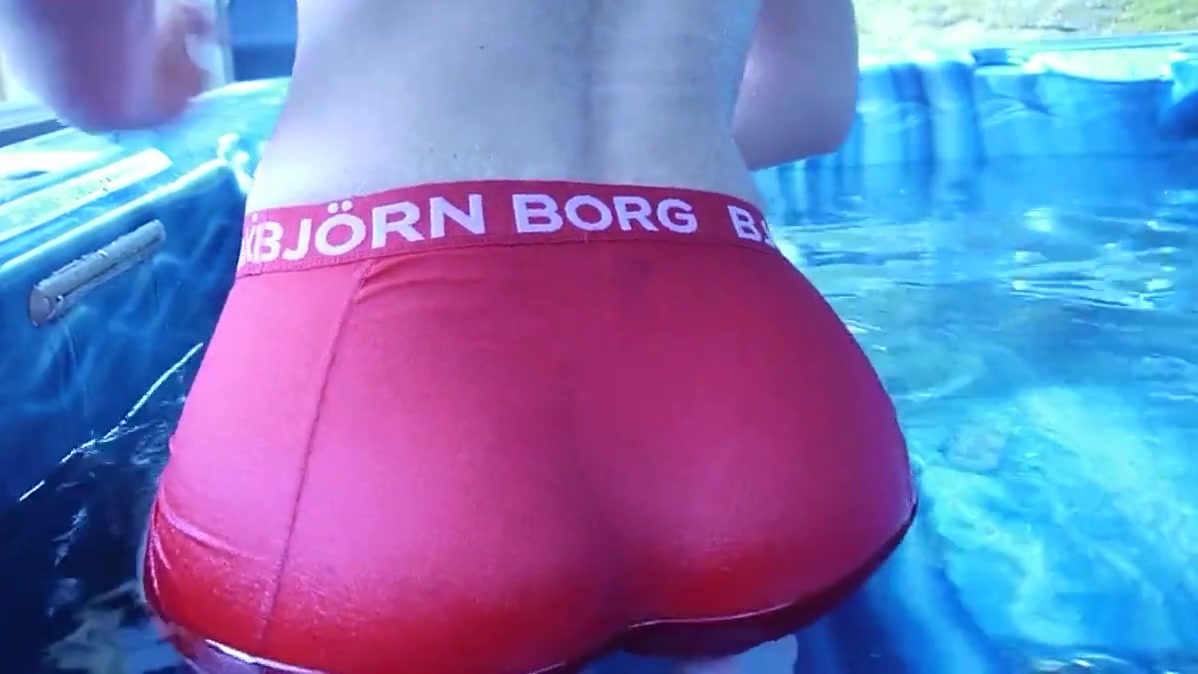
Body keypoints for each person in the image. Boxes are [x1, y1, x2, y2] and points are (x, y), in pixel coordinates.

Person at [2, 1, 916, 673]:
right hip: (751, 363)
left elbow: (92, 69)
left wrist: (150, 68)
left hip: (375, 386)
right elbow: (808, 104)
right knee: (742, 631)